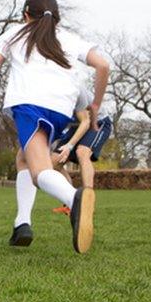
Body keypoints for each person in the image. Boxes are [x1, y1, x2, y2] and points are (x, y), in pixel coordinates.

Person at [0, 0, 109, 253]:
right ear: (56, 18)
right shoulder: (68, 39)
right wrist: (95, 105)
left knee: (39, 172)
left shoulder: (17, 33)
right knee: (23, 158)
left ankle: (75, 200)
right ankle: (21, 223)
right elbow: (103, 66)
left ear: (26, 15)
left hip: (30, 106)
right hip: (61, 110)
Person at [51, 84, 113, 215]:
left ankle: (87, 202)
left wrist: (69, 146)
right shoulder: (49, 95)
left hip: (97, 122)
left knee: (82, 152)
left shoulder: (76, 90)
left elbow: (86, 122)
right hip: (76, 126)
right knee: (54, 162)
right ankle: (70, 202)